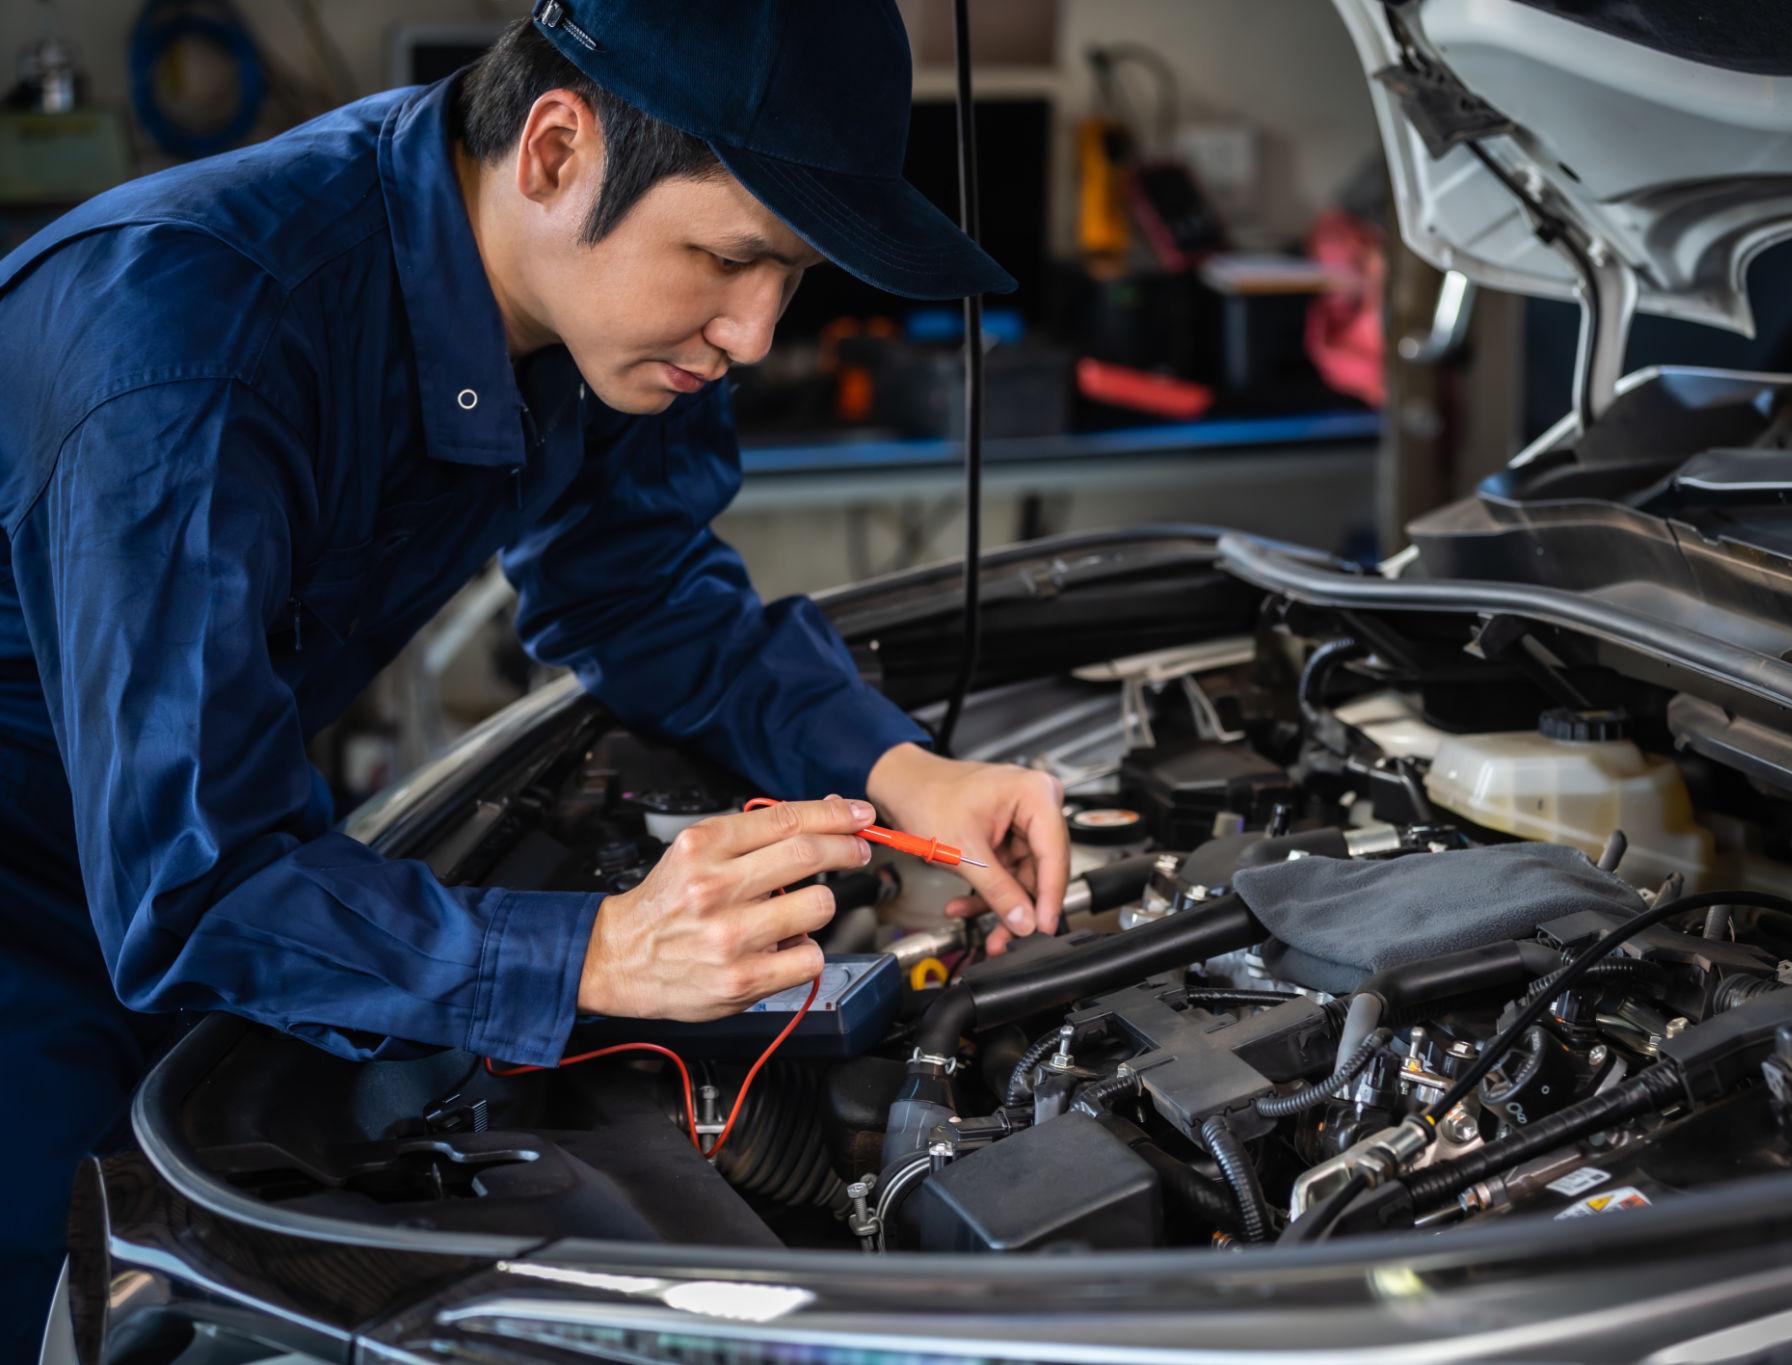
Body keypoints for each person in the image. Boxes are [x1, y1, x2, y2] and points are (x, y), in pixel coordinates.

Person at [0, 2, 1068, 1347]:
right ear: (556, 151)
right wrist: (599, 949)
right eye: (731, 258)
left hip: (179, 840)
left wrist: (909, 766)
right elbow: (195, 884)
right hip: (30, 904)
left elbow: (643, 593)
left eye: (787, 275)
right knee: (80, 1289)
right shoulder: (185, 342)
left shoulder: (617, 317)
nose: (753, 330)